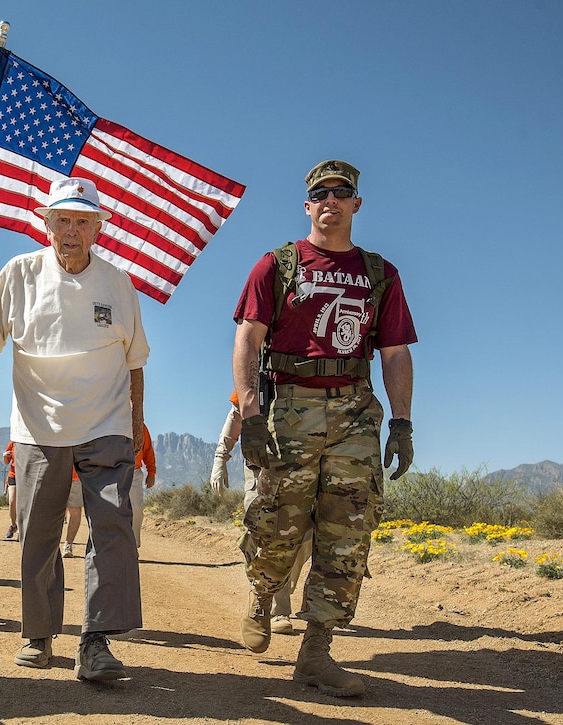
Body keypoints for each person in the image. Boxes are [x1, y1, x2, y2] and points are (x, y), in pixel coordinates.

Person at [233, 160, 417, 697]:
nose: (330, 201)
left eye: (342, 193)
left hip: (356, 409)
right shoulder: (278, 264)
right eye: (320, 194)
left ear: (357, 203)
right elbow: (247, 338)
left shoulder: (380, 273)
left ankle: (316, 651)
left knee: (348, 531)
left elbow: (395, 351)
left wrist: (401, 421)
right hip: (290, 407)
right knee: (276, 522)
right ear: (307, 205)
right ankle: (262, 595)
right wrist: (248, 414)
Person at [0, 177, 149, 682]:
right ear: (46, 223)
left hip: (107, 421)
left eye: (82, 222)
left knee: (112, 527)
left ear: (98, 229)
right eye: (63, 220)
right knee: (37, 533)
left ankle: (96, 642)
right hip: (38, 425)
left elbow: (135, 362)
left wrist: (134, 425)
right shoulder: (19, 274)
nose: (71, 231)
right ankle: (39, 634)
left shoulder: (117, 283)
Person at [220, 389, 311, 635]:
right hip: (259, 466)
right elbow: (236, 413)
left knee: (305, 537)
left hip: (300, 465)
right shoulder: (257, 374)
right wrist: (221, 457)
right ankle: (277, 608)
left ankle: (275, 583)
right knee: (266, 534)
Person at [130, 423, 156, 548]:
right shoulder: (110, 419)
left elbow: (148, 450)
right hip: (112, 472)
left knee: (136, 508)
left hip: (134, 471)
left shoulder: (140, 426)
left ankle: (133, 545)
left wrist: (151, 472)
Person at [61, 471, 83, 559]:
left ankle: (68, 544)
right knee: (52, 511)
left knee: (75, 510)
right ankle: (50, 545)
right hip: (54, 476)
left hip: (76, 476)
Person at [2, 441, 17, 540]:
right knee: (12, 501)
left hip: (27, 475)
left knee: (24, 504)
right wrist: (4, 456)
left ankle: (23, 528)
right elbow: (7, 461)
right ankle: (13, 525)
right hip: (13, 475)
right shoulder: (13, 443)